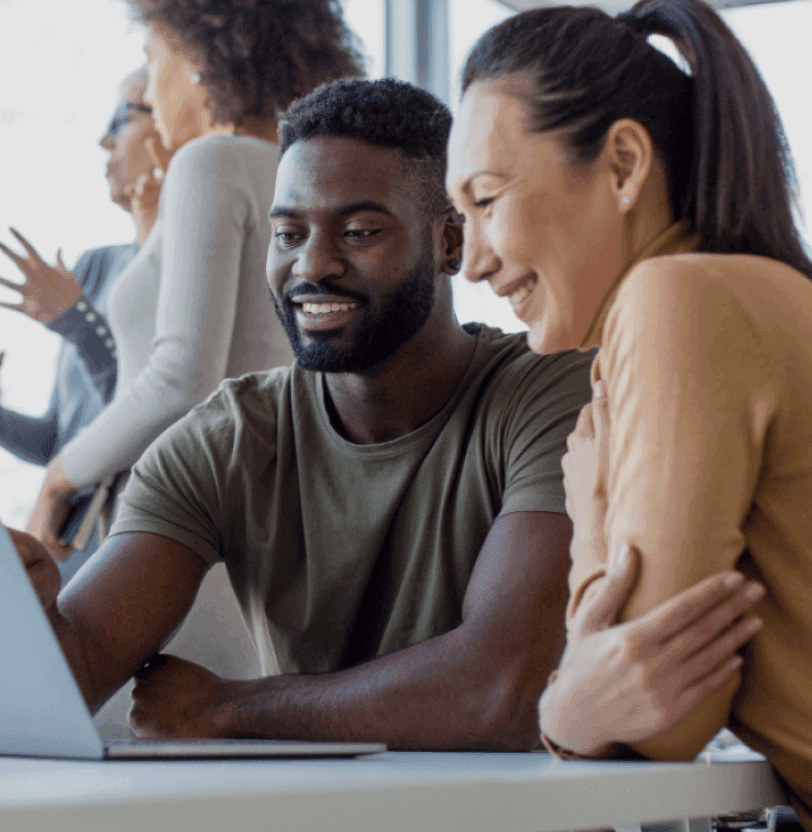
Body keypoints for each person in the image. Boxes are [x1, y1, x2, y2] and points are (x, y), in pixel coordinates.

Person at [12, 77, 762, 750]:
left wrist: (228, 707)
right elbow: (75, 670)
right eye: (288, 233)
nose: (312, 265)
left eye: (360, 231)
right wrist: (28, 609)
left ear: (450, 241)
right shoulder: (225, 439)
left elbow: (496, 691)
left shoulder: (547, 393)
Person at [447, 0, 812, 825]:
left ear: (621, 166)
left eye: (488, 198)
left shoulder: (676, 298)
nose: (470, 262)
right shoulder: (756, 293)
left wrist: (591, 497)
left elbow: (658, 716)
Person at [25, 0, 362, 562]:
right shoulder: (299, 172)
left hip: (173, 525)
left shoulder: (211, 162)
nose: (152, 94)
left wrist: (59, 477)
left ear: (197, 55)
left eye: (152, 58)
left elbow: (182, 376)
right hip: (251, 518)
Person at [0, 67, 160, 576]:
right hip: (64, 539)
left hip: (123, 539)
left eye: (122, 118)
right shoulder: (94, 266)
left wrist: (75, 321)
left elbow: (148, 408)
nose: (103, 140)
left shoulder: (180, 275)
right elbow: (56, 441)